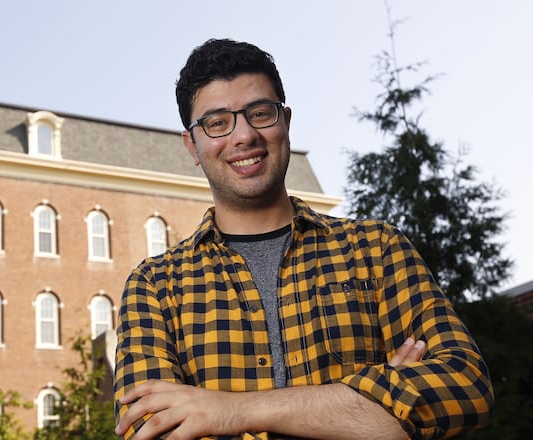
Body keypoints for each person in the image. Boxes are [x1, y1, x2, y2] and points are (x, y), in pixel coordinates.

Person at [113, 38, 493, 440]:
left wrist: (229, 411)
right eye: (217, 123)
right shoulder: (154, 286)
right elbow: (149, 430)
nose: (243, 136)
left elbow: (465, 387)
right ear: (193, 145)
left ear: (285, 121)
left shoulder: (377, 249)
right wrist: (370, 409)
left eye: (260, 113)